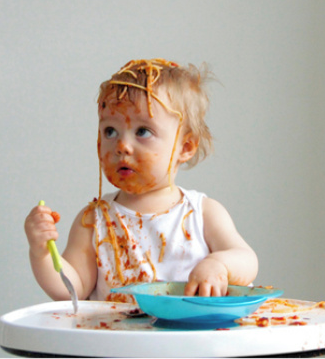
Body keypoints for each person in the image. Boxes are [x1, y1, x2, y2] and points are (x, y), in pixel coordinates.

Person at [24, 59, 258, 302]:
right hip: (119, 338)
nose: (122, 146)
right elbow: (72, 289)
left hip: (193, 338)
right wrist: (41, 253)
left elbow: (246, 259)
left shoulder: (202, 213)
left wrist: (218, 264)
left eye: (143, 131)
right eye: (110, 131)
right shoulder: (93, 221)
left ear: (185, 146)